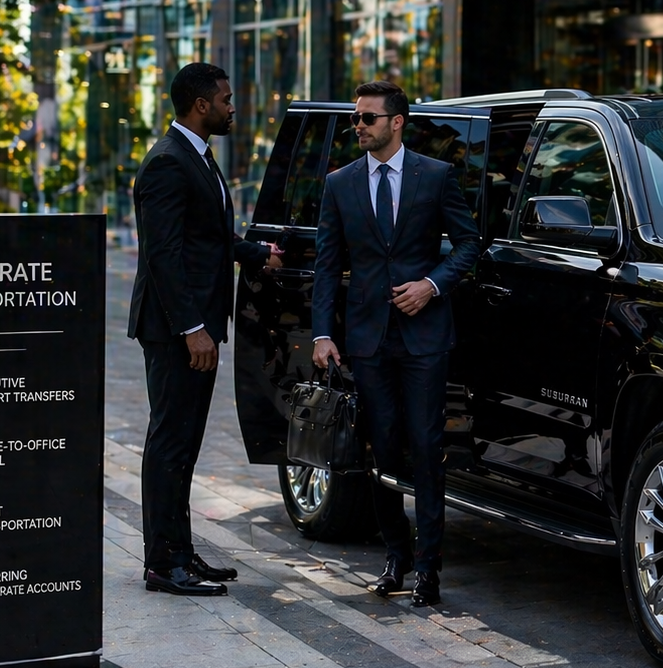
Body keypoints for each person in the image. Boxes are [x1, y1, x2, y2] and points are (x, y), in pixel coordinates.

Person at [312, 81, 481, 607]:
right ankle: (395, 557)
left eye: (368, 118)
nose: (358, 126)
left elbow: (470, 244)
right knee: (381, 449)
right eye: (355, 118)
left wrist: (432, 284)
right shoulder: (340, 183)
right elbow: (326, 263)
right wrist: (322, 333)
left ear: (397, 121)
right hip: (367, 339)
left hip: (424, 337)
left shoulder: (437, 175)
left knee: (427, 449)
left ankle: (428, 568)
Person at [129, 62, 283, 596]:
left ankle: (180, 551)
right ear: (201, 105)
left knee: (186, 444)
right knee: (170, 443)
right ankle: (161, 563)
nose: (232, 107)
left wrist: (257, 253)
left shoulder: (197, 156)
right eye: (225, 99)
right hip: (176, 330)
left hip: (195, 326)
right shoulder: (167, 162)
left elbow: (208, 238)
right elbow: (163, 255)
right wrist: (192, 328)